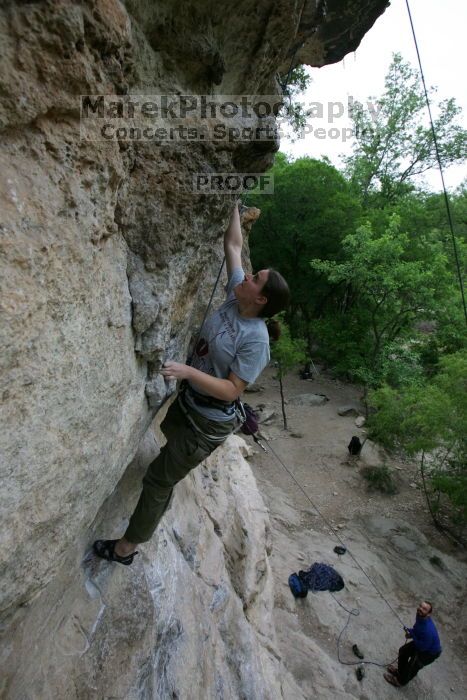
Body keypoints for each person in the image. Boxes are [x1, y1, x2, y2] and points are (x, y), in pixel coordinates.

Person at [93, 201, 290, 565]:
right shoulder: (236, 296)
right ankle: (171, 465)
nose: (247, 274)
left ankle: (126, 548)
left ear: (260, 298)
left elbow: (233, 390)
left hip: (206, 423)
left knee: (158, 479)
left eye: (255, 277)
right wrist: (232, 203)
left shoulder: (255, 340)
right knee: (169, 440)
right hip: (191, 405)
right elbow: (232, 246)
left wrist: (187, 373)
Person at [384, 600, 442, 687]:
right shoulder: (420, 616)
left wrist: (412, 635)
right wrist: (410, 632)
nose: (420, 609)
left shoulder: (428, 630)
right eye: (420, 606)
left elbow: (421, 647)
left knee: (412, 666)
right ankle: (400, 672)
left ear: (429, 614)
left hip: (428, 653)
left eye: (424, 609)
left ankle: (400, 681)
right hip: (422, 642)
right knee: (403, 651)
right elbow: (416, 629)